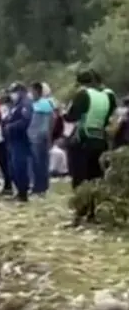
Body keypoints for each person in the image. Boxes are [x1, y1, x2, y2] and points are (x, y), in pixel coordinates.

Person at [64, 69, 117, 224]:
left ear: (79, 83)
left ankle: (79, 213)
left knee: (80, 178)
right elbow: (108, 118)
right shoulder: (106, 96)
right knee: (95, 177)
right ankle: (93, 213)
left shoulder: (83, 95)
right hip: (100, 140)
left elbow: (71, 116)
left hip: (82, 140)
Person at [2, 82, 33, 202]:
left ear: (21, 91)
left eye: (14, 92)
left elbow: (25, 121)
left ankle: (23, 194)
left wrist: (10, 127)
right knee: (12, 168)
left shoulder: (26, 104)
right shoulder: (15, 105)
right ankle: (19, 190)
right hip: (12, 140)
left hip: (21, 140)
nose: (12, 94)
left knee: (20, 167)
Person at [28, 82, 56, 195]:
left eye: (32, 91)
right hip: (41, 136)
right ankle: (42, 187)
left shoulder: (41, 104)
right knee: (42, 162)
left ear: (37, 91)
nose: (31, 94)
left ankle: (38, 187)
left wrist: (48, 134)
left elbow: (51, 119)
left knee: (37, 163)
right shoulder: (44, 103)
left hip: (37, 136)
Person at [0, 94, 12, 195]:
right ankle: (7, 184)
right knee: (4, 163)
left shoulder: (4, 110)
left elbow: (3, 122)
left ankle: (8, 186)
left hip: (2, 140)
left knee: (4, 163)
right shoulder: (4, 110)